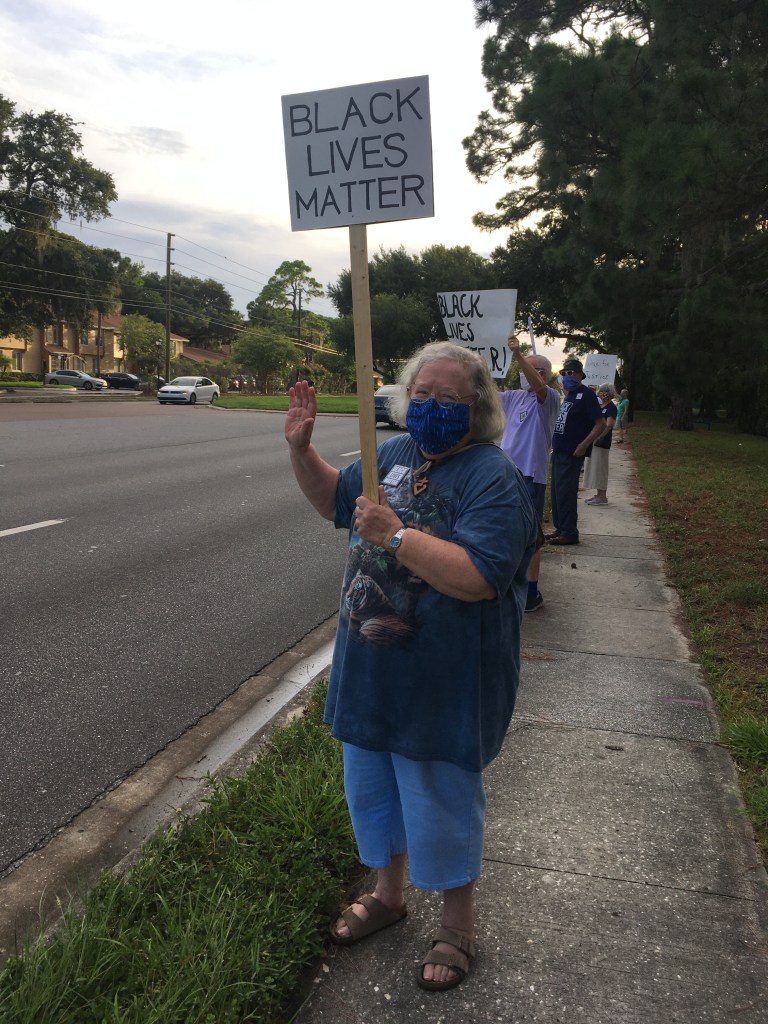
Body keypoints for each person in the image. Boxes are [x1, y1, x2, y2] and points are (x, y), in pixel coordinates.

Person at [285, 341, 537, 993]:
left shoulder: (492, 476)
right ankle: (388, 895)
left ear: (477, 409)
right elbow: (334, 502)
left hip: (444, 682)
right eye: (422, 394)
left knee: (440, 801)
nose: (432, 407)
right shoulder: (390, 455)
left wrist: (395, 535)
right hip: (371, 674)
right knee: (374, 794)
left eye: (450, 399)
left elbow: (480, 577)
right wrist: (301, 450)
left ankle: (456, 926)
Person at [499, 334, 560, 611]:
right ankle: (511, 583)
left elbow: (539, 387)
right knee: (506, 528)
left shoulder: (548, 399)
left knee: (531, 534)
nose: (522, 374)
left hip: (531, 475)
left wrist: (519, 355)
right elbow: (485, 395)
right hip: (507, 471)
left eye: (528, 370)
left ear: (542, 373)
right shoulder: (514, 397)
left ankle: (531, 593)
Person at [547, 357, 604, 546]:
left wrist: (584, 444)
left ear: (580, 375)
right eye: (563, 373)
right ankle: (560, 527)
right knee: (557, 492)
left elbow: (600, 424)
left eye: (570, 373)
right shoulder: (570, 395)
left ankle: (570, 532)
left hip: (572, 452)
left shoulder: (586, 395)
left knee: (566, 492)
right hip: (559, 450)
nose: (566, 376)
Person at [583, 384, 617, 505]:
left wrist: (599, 437)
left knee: (601, 468)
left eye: (602, 391)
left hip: (602, 443)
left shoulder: (611, 407)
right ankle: (598, 494)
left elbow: (609, 425)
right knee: (595, 468)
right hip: (594, 442)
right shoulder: (601, 406)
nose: (600, 393)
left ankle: (602, 496)